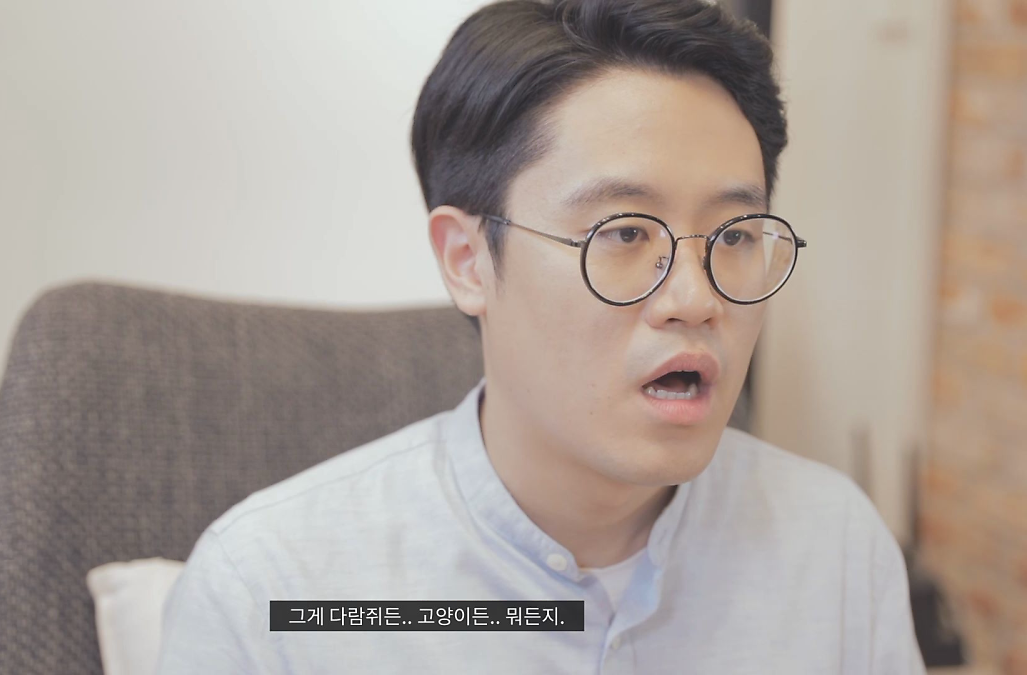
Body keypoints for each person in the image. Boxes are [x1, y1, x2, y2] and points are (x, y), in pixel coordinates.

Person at [156, 0, 926, 672]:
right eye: (625, 232)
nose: (695, 298)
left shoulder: (836, 550)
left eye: (734, 235)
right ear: (467, 260)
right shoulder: (272, 589)